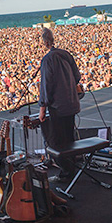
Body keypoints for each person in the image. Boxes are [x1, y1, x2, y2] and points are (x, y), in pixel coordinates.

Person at [38, 27, 82, 181]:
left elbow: (46, 86)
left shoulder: (47, 60)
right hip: (72, 103)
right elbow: (77, 77)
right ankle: (72, 170)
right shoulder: (66, 54)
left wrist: (42, 109)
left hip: (58, 107)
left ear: (44, 43)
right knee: (69, 138)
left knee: (56, 142)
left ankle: (66, 173)